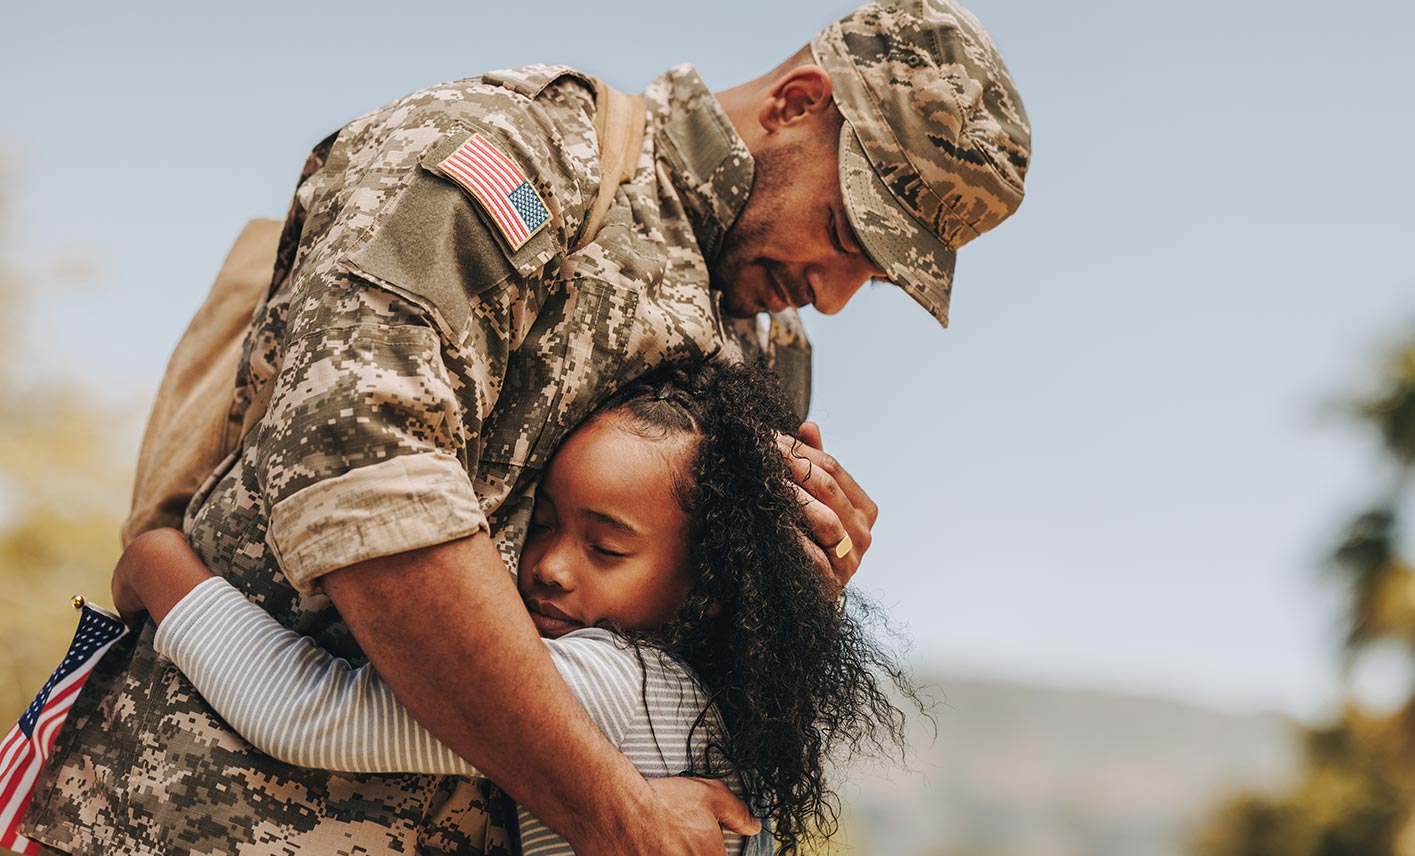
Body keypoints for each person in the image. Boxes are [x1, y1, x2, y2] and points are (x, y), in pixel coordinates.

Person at [21, 2, 1029, 854]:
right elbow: (369, 490)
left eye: (876, 274)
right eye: (846, 233)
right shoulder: (524, 160)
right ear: (797, 103)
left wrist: (792, 587)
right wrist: (611, 810)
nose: (837, 294)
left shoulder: (766, 353)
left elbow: (666, 676)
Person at [108, 362, 918, 856]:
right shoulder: (713, 702)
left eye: (607, 548)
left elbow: (306, 712)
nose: (549, 567)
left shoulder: (613, 682)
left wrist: (155, 559)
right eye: (546, 524)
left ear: (705, 588)